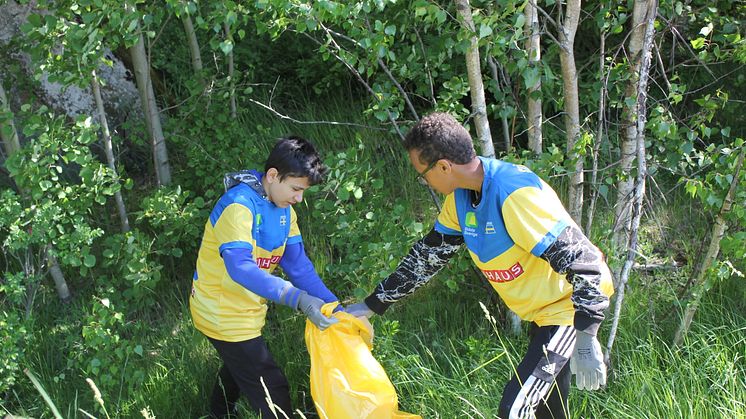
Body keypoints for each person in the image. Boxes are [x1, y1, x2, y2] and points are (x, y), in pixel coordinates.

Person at [347, 112, 614, 419]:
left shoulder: (514, 193)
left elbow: (585, 262)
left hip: (567, 309)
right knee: (548, 412)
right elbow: (427, 256)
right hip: (542, 313)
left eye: (423, 174)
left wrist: (586, 333)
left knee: (516, 410)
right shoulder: (460, 201)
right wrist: (372, 304)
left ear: (445, 166)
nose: (425, 182)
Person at [190, 136, 340, 419]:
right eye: (295, 188)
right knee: (271, 386)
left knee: (238, 367)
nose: (299, 198)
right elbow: (240, 268)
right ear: (272, 175)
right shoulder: (239, 206)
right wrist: (297, 298)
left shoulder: (286, 211)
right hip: (220, 311)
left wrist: (335, 308)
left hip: (247, 311)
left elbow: (299, 267)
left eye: (303, 191)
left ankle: (218, 414)